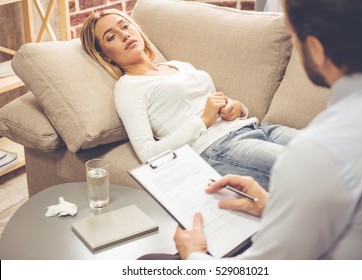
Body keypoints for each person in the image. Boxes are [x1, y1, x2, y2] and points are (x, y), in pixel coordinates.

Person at [171, 0, 362, 260]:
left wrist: (194, 254)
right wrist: (279, 206)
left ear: (317, 50)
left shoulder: (321, 153)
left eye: (294, 35)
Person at [80, 9, 299, 190]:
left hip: (256, 128)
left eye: (125, 26)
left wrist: (237, 108)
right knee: (309, 168)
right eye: (111, 37)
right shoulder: (128, 87)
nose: (124, 34)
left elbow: (217, 103)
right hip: (217, 148)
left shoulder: (178, 65)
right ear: (105, 55)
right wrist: (203, 121)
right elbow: (148, 153)